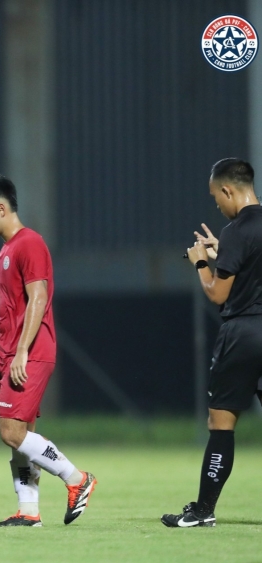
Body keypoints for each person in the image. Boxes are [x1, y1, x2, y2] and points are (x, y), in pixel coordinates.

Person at [0, 173, 97, 527]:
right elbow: (3, 304)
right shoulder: (6, 250)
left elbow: (39, 296)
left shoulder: (30, 243)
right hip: (9, 352)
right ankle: (28, 512)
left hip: (30, 352)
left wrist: (22, 350)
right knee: (20, 438)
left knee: (11, 432)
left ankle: (77, 479)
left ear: (1, 209)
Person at [163, 158, 262, 528]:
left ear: (227, 190)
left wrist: (201, 262)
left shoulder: (238, 229)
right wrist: (225, 251)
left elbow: (218, 293)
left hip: (244, 334)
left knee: (221, 423)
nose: (217, 205)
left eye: (215, 197)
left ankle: (203, 511)